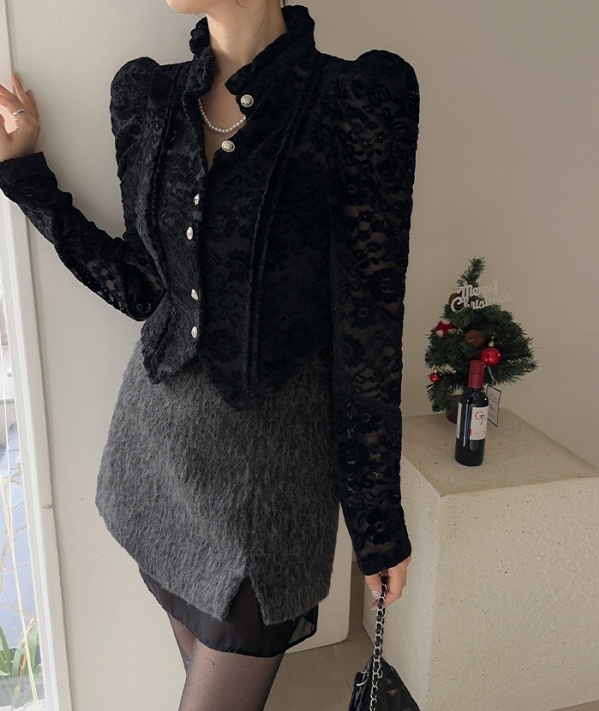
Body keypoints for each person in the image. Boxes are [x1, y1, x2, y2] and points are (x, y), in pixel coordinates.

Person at [0, 1, 419, 709]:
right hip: (158, 459)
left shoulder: (356, 99)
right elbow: (143, 287)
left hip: (272, 479)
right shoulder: (148, 96)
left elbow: (368, 327)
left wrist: (376, 524)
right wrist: (25, 177)